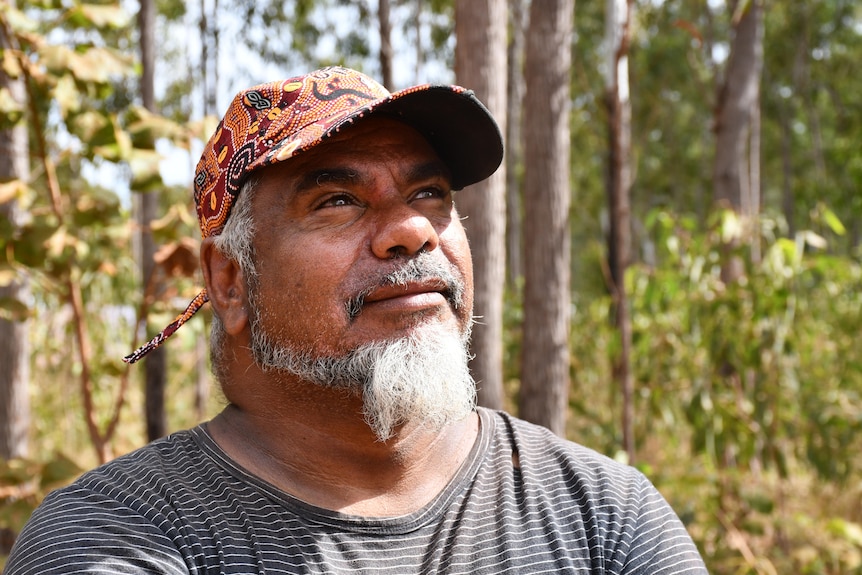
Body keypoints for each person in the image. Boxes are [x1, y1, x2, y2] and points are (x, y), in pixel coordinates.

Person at [5, 66, 708, 574]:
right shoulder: (120, 538)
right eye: (338, 199)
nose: (410, 231)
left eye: (429, 193)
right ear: (228, 280)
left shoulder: (602, 520)